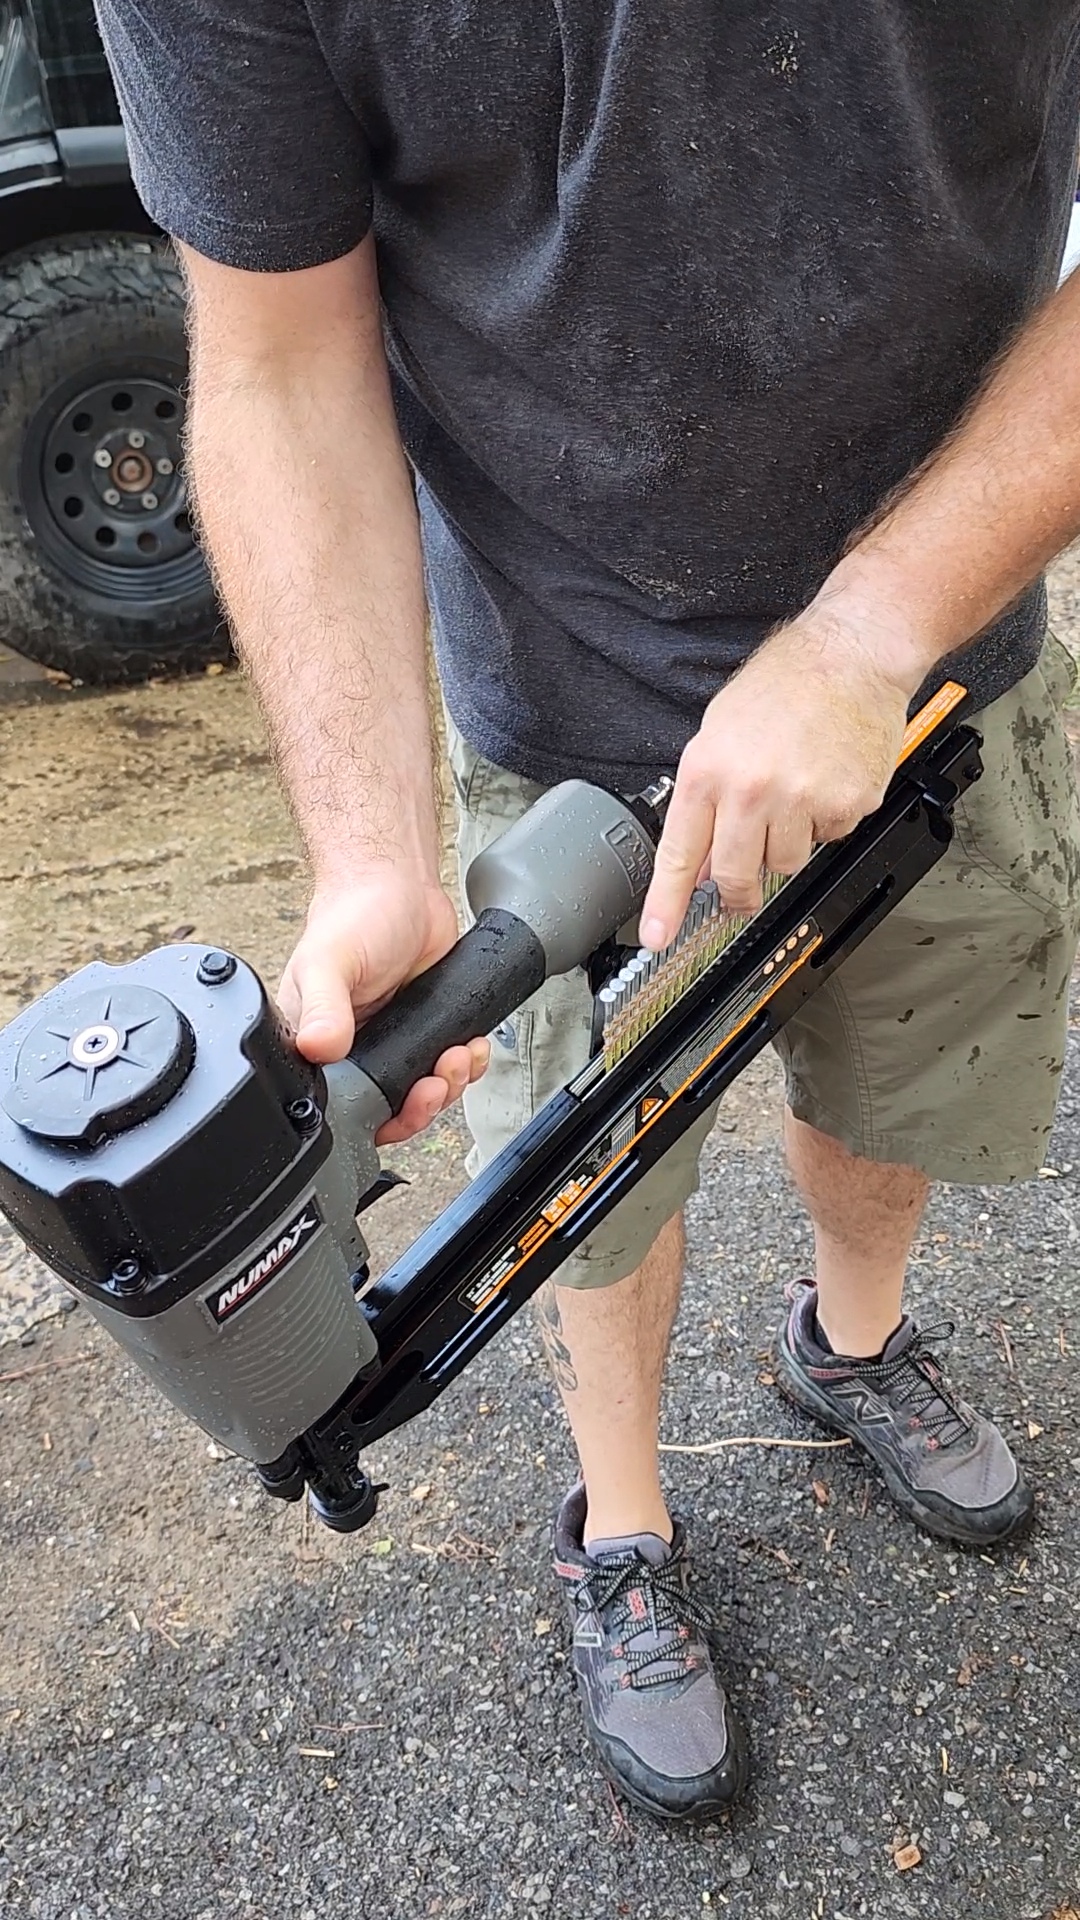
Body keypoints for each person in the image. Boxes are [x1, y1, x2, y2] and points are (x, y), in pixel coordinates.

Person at [97, 0, 1080, 1819]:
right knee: (588, 1182)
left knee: (906, 1077)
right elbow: (283, 350)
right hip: (557, 716)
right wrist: (379, 852)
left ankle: (849, 1343)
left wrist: (871, 630)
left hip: (942, 671)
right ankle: (620, 1520)